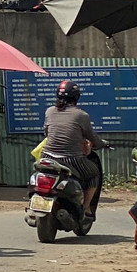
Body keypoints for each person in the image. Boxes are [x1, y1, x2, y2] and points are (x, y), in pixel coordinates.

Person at [42, 80, 106, 219]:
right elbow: (92, 138)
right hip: (71, 159)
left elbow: (46, 133)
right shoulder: (81, 115)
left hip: (46, 157)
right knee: (94, 173)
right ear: (76, 97)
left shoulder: (49, 111)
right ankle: (86, 208)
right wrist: (102, 143)